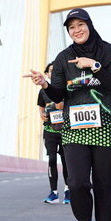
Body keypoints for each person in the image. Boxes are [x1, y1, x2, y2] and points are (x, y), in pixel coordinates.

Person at [24, 8, 111, 221]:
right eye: (71, 27)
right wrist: (45, 84)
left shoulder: (108, 51)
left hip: (107, 129)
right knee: (77, 183)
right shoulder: (63, 58)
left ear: (89, 25)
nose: (76, 30)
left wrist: (95, 66)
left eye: (80, 24)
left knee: (105, 187)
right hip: (75, 130)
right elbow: (58, 94)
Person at [37, 62, 69, 204]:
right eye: (51, 71)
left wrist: (62, 106)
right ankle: (53, 193)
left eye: (57, 70)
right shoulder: (43, 91)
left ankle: (68, 191)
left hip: (65, 131)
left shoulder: (67, 89)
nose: (53, 73)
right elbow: (41, 106)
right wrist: (42, 115)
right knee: (51, 160)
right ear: (47, 74)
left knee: (66, 161)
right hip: (49, 131)